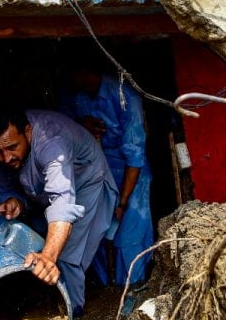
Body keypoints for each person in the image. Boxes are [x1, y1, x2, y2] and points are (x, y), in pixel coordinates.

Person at [0, 104, 118, 315]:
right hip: (40, 192)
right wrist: (14, 201)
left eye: (12, 147)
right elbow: (4, 189)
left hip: (83, 184)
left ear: (28, 132)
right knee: (38, 239)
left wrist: (49, 257)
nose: (6, 158)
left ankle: (70, 314)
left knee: (67, 254)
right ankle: (43, 306)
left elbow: (62, 204)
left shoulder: (52, 142)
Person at [63, 66, 156, 288]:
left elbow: (135, 156)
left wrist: (122, 201)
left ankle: (135, 287)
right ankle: (108, 288)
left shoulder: (124, 95)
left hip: (131, 175)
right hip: (96, 172)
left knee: (129, 233)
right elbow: (63, 123)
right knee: (98, 232)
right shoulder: (73, 94)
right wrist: (80, 124)